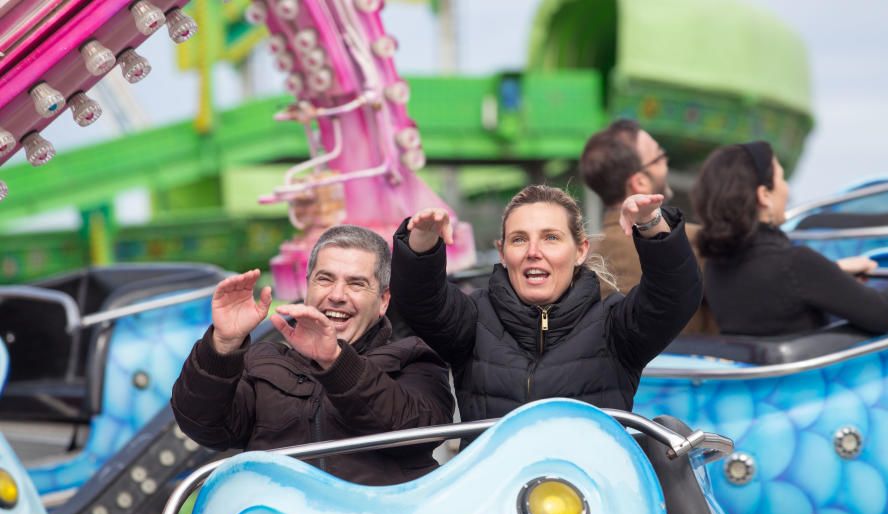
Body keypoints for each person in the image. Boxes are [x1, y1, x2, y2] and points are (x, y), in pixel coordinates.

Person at [693, 140, 888, 409]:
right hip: (839, 387)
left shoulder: (718, 269)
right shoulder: (795, 263)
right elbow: (886, 313)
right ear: (764, 196)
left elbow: (771, 286)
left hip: (782, 388)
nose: (787, 189)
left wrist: (835, 272)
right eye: (781, 178)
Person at [390, 184, 702, 422]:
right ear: (502, 253)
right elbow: (421, 300)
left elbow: (672, 296)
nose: (533, 251)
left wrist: (651, 226)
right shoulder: (473, 319)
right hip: (492, 495)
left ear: (580, 250)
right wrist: (421, 243)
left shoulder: (614, 325)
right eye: (519, 239)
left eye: (551, 237)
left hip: (592, 495)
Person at [171, 225, 455, 485]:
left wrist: (336, 363)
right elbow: (204, 426)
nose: (337, 295)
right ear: (307, 287)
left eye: (356, 284)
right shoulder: (263, 360)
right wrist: (222, 344)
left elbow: (418, 432)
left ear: (383, 300)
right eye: (325, 279)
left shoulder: (414, 357)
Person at [579, 119, 717, 334]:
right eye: (660, 157)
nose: (666, 163)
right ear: (640, 182)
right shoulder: (696, 242)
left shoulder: (583, 256)